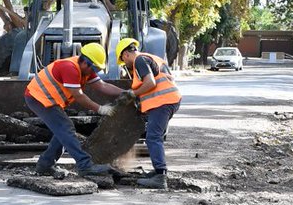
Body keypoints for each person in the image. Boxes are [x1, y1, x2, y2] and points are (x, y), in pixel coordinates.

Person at [25, 42, 127, 179]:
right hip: (38, 98)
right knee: (65, 127)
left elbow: (102, 86)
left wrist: (126, 93)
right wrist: (100, 109)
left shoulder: (86, 70)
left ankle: (45, 164)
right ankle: (85, 165)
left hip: (49, 100)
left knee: (62, 131)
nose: (95, 72)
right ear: (85, 63)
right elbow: (79, 96)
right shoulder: (70, 68)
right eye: (94, 69)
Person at [116, 37, 181, 189]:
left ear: (125, 54)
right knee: (155, 136)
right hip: (167, 101)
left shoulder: (139, 60)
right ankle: (159, 171)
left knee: (153, 137)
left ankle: (160, 177)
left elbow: (150, 83)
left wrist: (132, 94)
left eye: (123, 61)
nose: (125, 65)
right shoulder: (150, 58)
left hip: (163, 102)